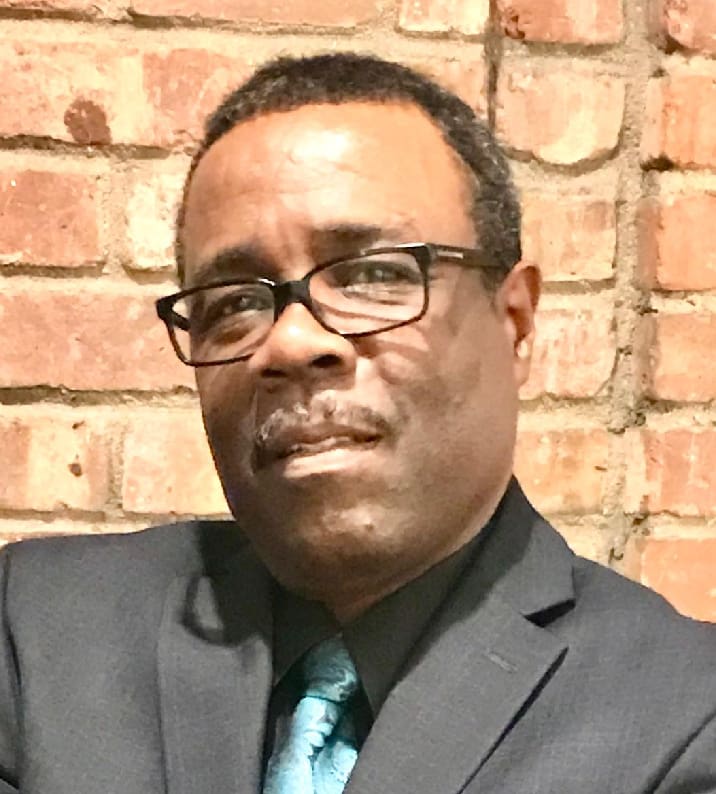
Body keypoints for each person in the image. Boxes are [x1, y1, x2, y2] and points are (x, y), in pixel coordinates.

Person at [0, 53, 713, 794]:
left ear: (515, 324)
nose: (293, 342)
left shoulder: (682, 717)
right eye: (234, 300)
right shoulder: (38, 635)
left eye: (374, 274)